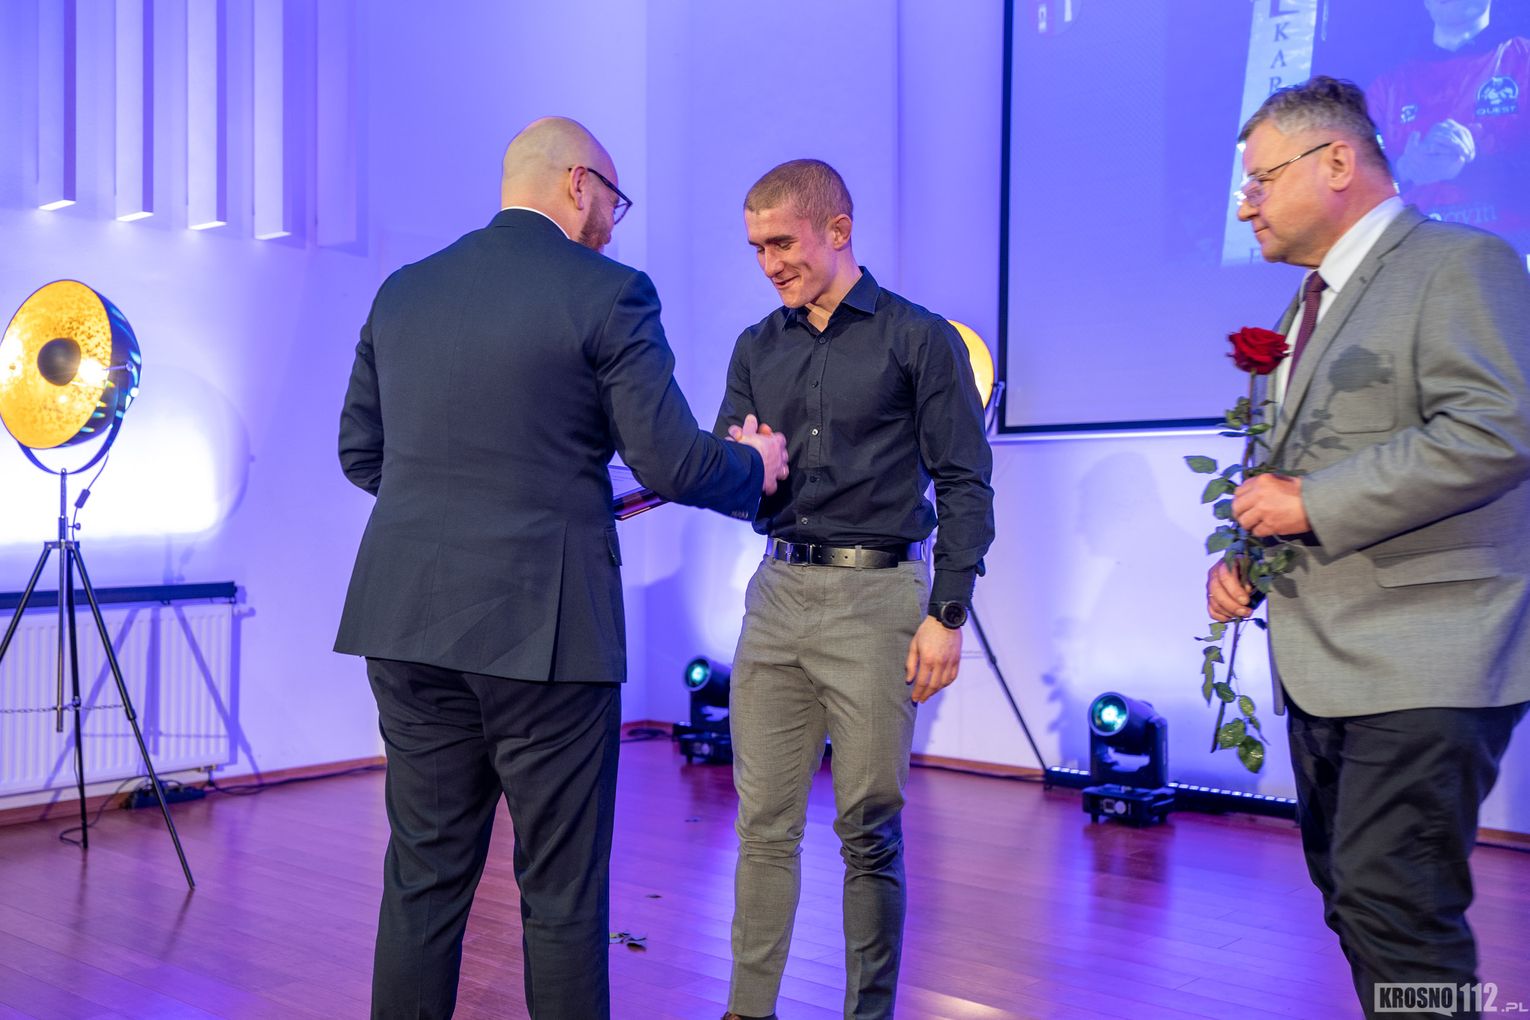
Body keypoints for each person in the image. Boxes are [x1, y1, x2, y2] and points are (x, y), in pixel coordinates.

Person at [334, 116, 789, 1020]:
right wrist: (755, 467)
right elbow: (671, 462)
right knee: (561, 894)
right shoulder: (611, 292)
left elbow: (362, 453)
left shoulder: (404, 291)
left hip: (407, 622)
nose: (614, 223)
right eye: (614, 201)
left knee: (423, 881)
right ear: (579, 184)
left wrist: (490, 498)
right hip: (545, 633)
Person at [1210, 77, 1530, 1019]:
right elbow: (1300, 471)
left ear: (1338, 162)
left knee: (1398, 907)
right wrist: (1246, 560)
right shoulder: (1302, 309)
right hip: (1329, 659)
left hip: (1431, 647)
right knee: (1360, 901)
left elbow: (1499, 428)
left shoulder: (1459, 262)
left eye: (1261, 180)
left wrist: (1313, 500)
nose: (1246, 205)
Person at [714, 159, 995, 1020]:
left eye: (782, 243)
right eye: (757, 248)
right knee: (763, 826)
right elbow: (733, 477)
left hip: (877, 601)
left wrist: (947, 613)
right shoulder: (756, 345)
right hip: (776, 597)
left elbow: (965, 482)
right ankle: (747, 1011)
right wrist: (740, 466)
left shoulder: (919, 338)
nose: (769, 264)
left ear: (838, 230)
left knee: (868, 830)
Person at [1366, 0, 1530, 250]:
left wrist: (1474, 164)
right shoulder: (1388, 88)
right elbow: (1357, 186)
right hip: (1416, 252)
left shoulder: (1522, 62)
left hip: (1510, 248)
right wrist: (1404, 168)